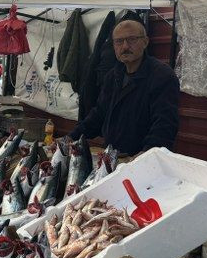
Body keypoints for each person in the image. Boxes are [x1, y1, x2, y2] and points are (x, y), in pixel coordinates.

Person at [69, 20, 179, 156]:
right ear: (113, 46)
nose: (125, 46)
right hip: (113, 157)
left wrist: (147, 154)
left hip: (141, 160)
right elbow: (98, 114)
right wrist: (71, 137)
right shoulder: (113, 75)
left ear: (145, 42)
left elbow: (165, 124)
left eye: (132, 39)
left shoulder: (162, 76)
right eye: (119, 41)